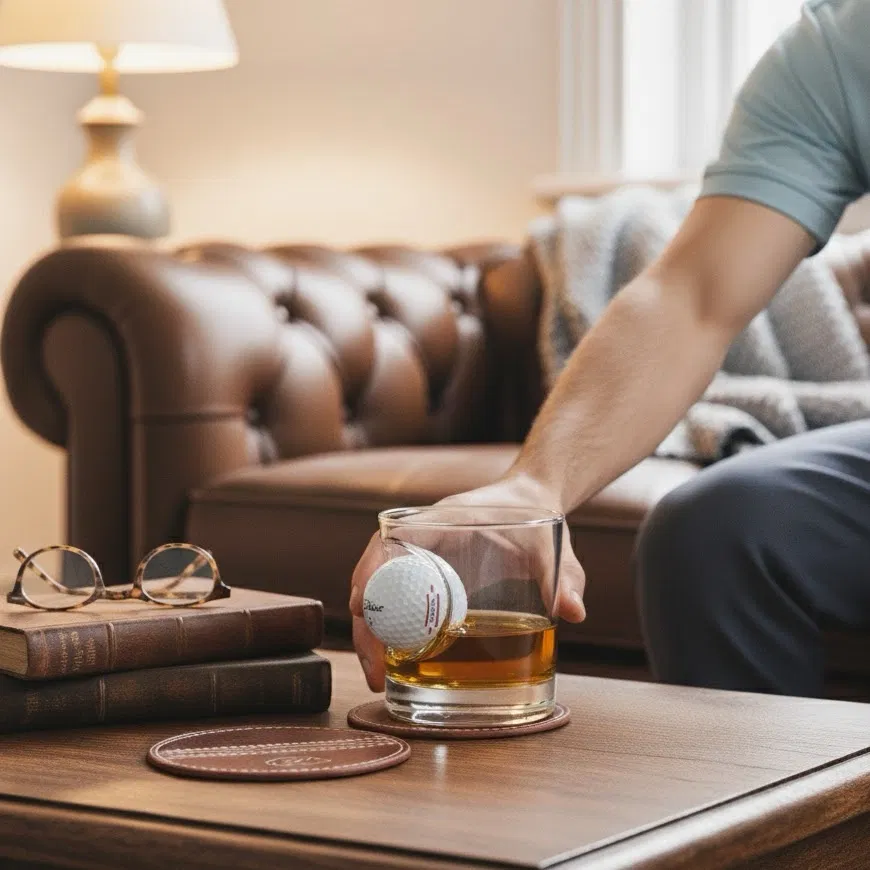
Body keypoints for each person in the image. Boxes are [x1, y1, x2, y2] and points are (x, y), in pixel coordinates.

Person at [351, 0, 870, 699]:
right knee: (712, 532)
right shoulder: (839, 50)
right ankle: (771, 777)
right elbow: (692, 297)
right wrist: (533, 489)